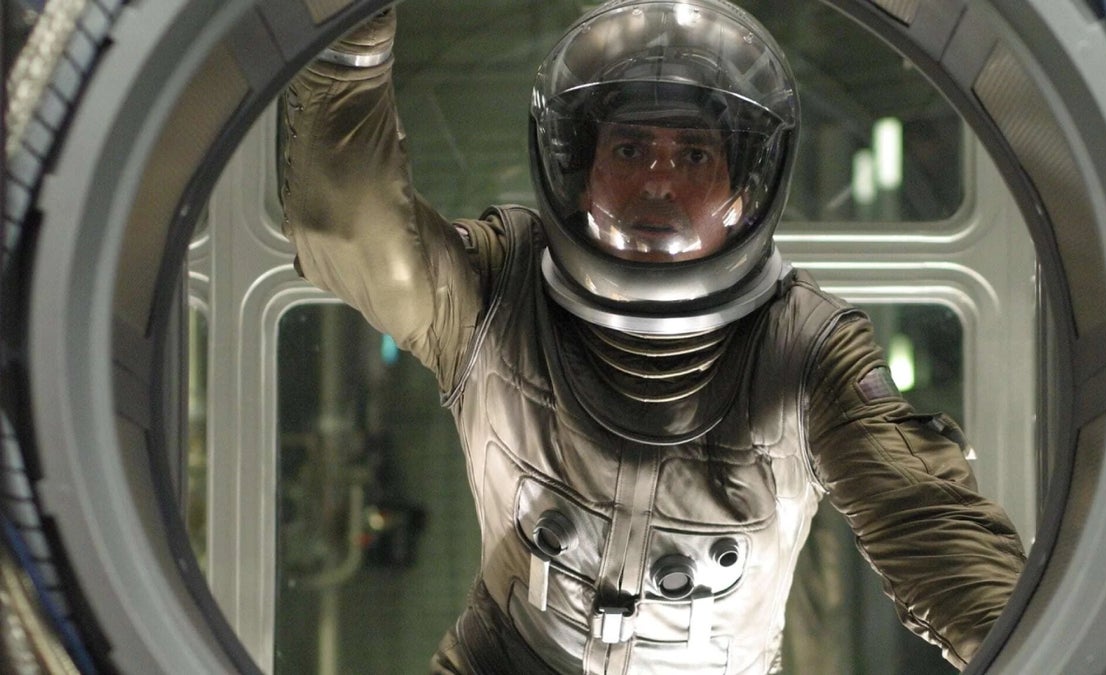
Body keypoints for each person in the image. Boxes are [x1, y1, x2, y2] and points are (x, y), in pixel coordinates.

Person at [280, 1, 1027, 672]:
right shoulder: (502, 289)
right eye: (630, 150)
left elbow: (924, 520)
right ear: (579, 171)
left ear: (745, 188)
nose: (658, 183)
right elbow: (351, 230)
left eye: (694, 155)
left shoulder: (806, 348)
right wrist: (349, 43)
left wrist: (1020, 643)